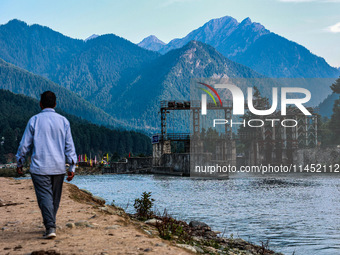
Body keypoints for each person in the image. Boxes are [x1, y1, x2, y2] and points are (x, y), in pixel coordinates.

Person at [16, 91, 77, 239]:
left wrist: (19, 161)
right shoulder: (64, 121)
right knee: (54, 198)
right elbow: (69, 146)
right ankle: (51, 224)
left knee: (45, 198)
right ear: (55, 104)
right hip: (58, 167)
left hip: (39, 167)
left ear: (41, 104)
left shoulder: (34, 120)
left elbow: (25, 145)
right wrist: (72, 167)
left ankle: (50, 226)